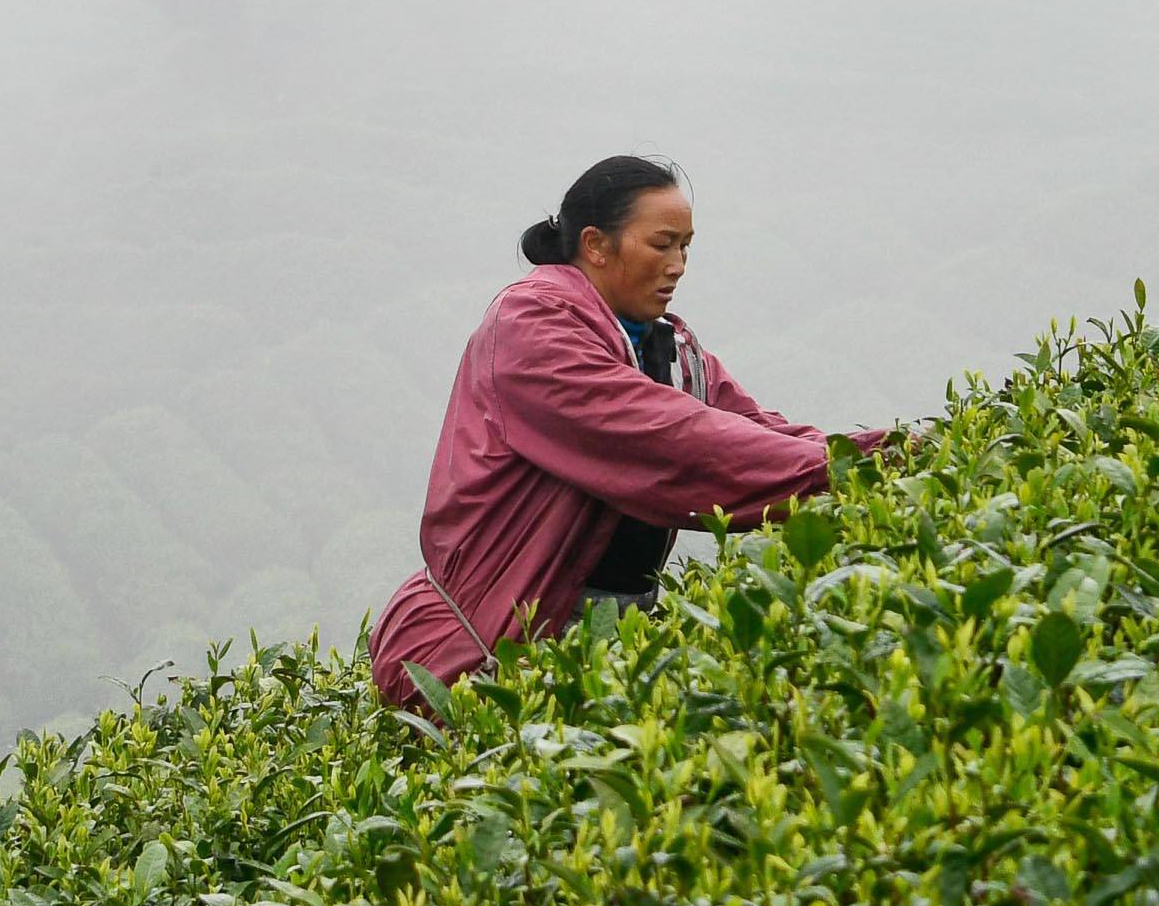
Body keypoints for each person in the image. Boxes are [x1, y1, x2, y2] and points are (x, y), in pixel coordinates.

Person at [370, 155, 902, 708]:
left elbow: (756, 430)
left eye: (686, 246)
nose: (678, 265)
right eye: (662, 244)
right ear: (597, 245)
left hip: (586, 654)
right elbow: (677, 442)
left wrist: (887, 454)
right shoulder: (532, 328)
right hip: (471, 662)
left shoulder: (666, 347)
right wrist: (857, 470)